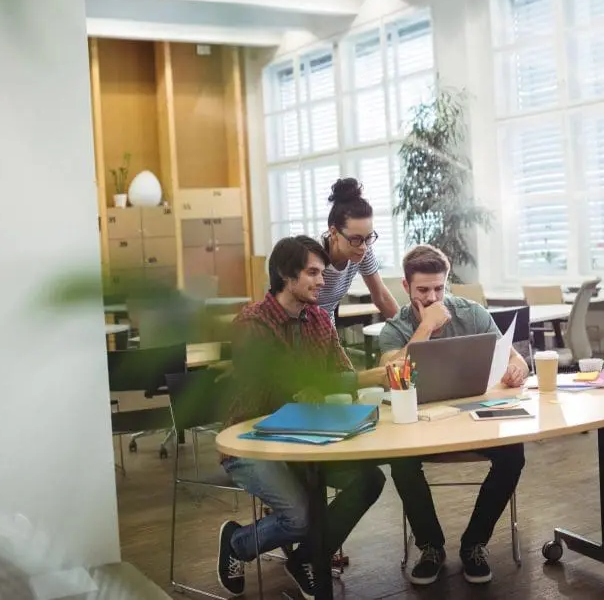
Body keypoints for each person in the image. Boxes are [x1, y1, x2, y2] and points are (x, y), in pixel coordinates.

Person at [215, 235, 390, 600]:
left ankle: (309, 559)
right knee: (300, 518)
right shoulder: (252, 324)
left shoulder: (320, 321)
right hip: (251, 443)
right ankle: (237, 542)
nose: (322, 282)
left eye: (323, 273)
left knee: (369, 480)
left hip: (309, 437)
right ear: (285, 274)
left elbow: (339, 374)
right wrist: (356, 379)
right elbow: (281, 387)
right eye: (313, 273)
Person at [378, 244, 528, 587]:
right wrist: (426, 328)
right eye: (423, 290)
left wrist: (516, 370)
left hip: (472, 419)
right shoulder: (395, 328)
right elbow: (391, 373)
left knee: (513, 454)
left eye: (439, 288)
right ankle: (430, 546)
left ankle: (475, 543)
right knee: (400, 460)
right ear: (406, 287)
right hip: (419, 426)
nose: (433, 297)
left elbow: (513, 358)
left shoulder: (470, 313)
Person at [316, 178, 400, 322]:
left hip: (325, 331)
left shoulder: (363, 248)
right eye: (355, 239)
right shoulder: (312, 254)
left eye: (368, 238)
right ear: (334, 233)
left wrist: (410, 332)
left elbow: (381, 297)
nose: (363, 247)